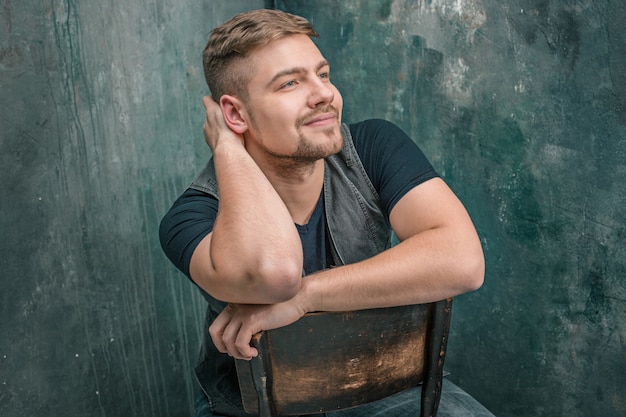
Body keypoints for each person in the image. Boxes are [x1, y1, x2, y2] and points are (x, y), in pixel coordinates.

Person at [160, 8, 493, 417]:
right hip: (257, 410)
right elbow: (275, 274)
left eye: (323, 74)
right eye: (290, 83)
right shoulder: (192, 216)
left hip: (389, 391)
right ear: (235, 114)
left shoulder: (372, 147)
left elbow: (462, 260)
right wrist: (227, 147)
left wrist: (306, 296)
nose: (324, 94)